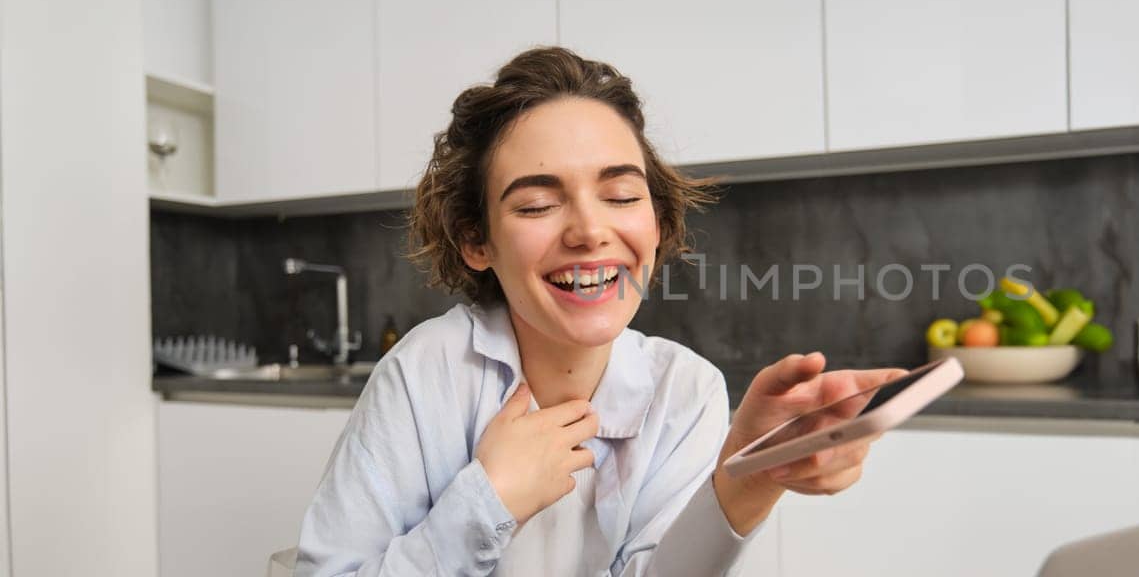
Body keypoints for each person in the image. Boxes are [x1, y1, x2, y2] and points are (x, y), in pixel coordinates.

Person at [294, 46, 903, 576]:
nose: (590, 231)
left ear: (657, 223)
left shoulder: (685, 390)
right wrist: (488, 500)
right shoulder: (422, 375)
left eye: (620, 196)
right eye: (536, 205)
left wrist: (748, 477)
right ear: (476, 241)